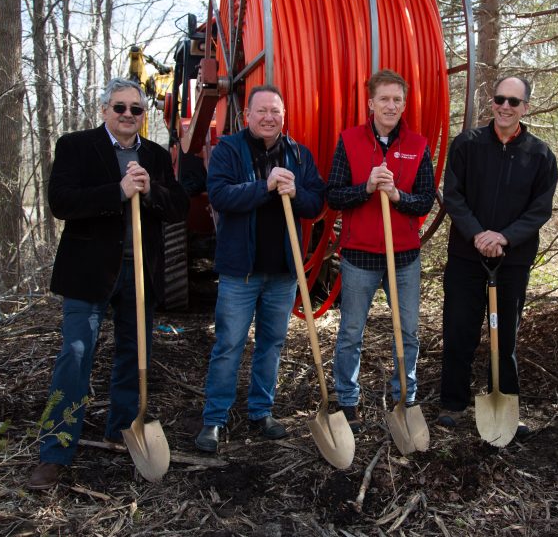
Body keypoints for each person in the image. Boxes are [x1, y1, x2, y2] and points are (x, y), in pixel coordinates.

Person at [28, 78, 190, 490]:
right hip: (89, 271)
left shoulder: (153, 155)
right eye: (119, 108)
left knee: (134, 355)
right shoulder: (76, 146)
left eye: (136, 109)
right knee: (75, 356)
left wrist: (151, 190)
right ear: (104, 110)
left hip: (140, 271)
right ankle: (56, 449)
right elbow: (61, 202)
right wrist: (116, 191)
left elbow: (178, 207)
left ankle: (122, 430)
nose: (128, 116)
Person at [194, 85, 325, 452]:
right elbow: (220, 196)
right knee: (229, 344)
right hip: (241, 272)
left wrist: (297, 192)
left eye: (276, 112)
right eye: (262, 111)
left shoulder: (299, 154)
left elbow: (316, 203)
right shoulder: (229, 151)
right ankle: (214, 420)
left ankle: (261, 411)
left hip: (283, 272)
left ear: (284, 116)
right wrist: (264, 187)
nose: (269, 117)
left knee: (272, 344)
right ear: (247, 116)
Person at [438, 75, 558, 436]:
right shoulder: (467, 144)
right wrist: (477, 234)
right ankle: (453, 404)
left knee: (504, 335)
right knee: (459, 329)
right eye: (499, 99)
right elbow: (453, 195)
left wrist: (504, 237)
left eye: (514, 102)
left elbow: (540, 209)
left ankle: (504, 400)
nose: (505, 106)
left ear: (526, 108)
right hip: (466, 255)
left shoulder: (540, 154)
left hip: (512, 259)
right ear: (492, 102)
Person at [327, 69, 435, 433]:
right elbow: (334, 194)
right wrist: (367, 187)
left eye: (397, 100)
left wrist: (396, 196)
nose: (391, 106)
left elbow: (423, 202)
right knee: (351, 332)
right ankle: (347, 399)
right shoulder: (350, 141)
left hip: (404, 258)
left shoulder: (418, 146)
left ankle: (406, 395)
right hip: (359, 256)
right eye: (384, 99)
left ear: (404, 105)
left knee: (407, 332)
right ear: (371, 103)